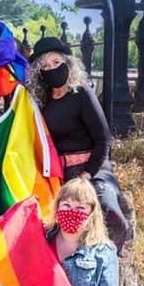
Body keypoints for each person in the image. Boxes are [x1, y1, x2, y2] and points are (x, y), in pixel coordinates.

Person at [28, 36, 133, 252]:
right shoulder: (42, 101)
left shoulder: (81, 92)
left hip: (92, 168)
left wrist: (87, 175)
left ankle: (109, 259)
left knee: (108, 210)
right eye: (45, 66)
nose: (52, 69)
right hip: (59, 174)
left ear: (67, 62)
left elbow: (103, 139)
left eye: (56, 62)